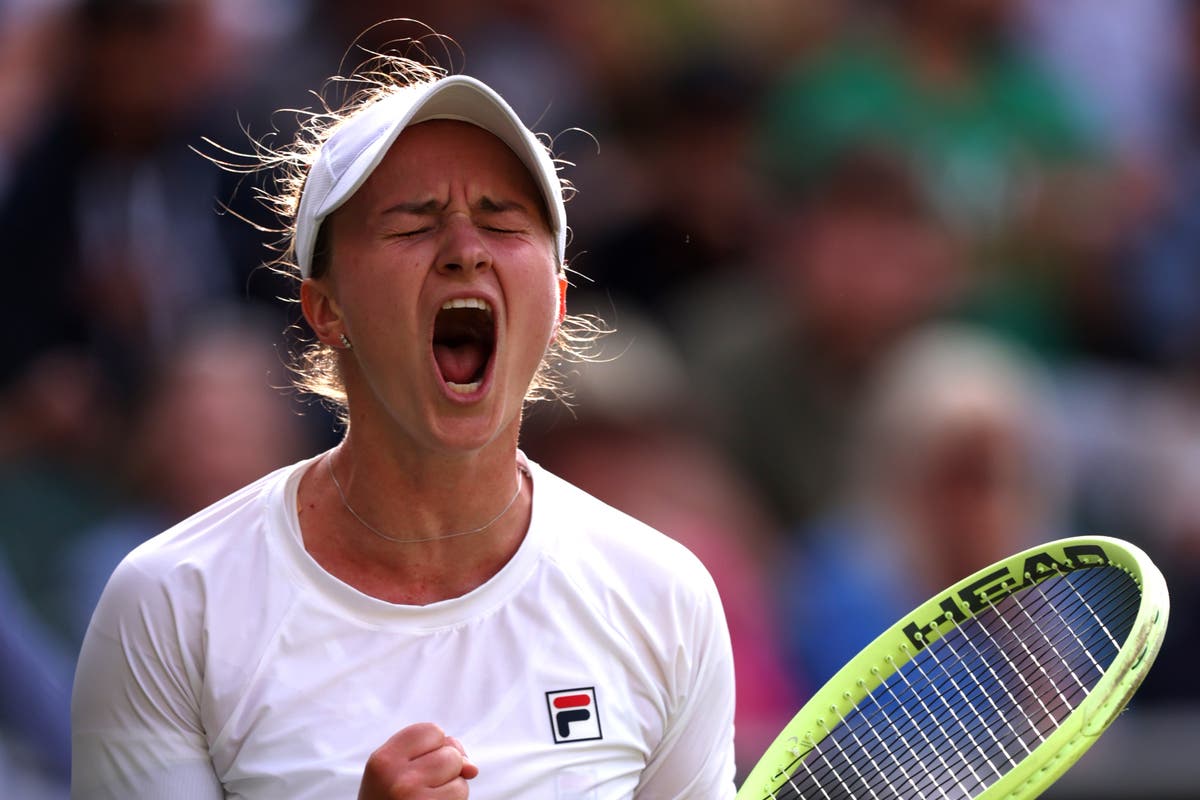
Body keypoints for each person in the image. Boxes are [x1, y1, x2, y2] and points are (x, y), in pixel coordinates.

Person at [69, 53, 737, 799]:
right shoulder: (169, 605)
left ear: (553, 301)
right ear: (324, 307)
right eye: (413, 225)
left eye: (501, 220)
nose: (465, 252)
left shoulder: (664, 599)